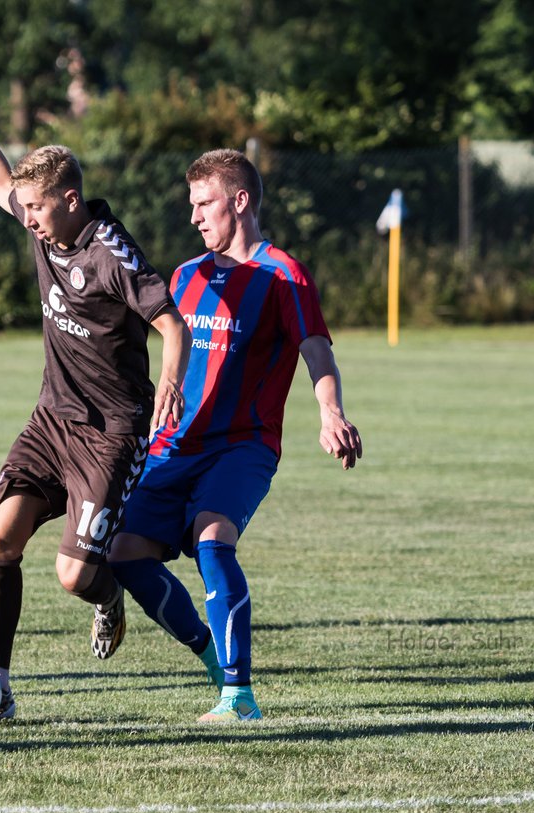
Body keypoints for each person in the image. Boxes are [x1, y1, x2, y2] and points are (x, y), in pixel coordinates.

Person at [0, 98, 190, 720]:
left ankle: (107, 597)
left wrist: (170, 383)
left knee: (73, 575)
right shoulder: (44, 224)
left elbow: (172, 322)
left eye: (36, 207)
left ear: (69, 199)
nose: (25, 216)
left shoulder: (111, 254)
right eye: (25, 208)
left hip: (111, 433)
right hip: (51, 418)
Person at [105, 149, 363, 723]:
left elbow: (315, 348)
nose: (194, 217)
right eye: (191, 205)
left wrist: (330, 412)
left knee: (212, 540)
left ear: (239, 202)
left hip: (242, 446)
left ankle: (238, 695)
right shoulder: (186, 276)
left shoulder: (283, 275)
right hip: (173, 445)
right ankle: (206, 651)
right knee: (123, 554)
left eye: (204, 204)